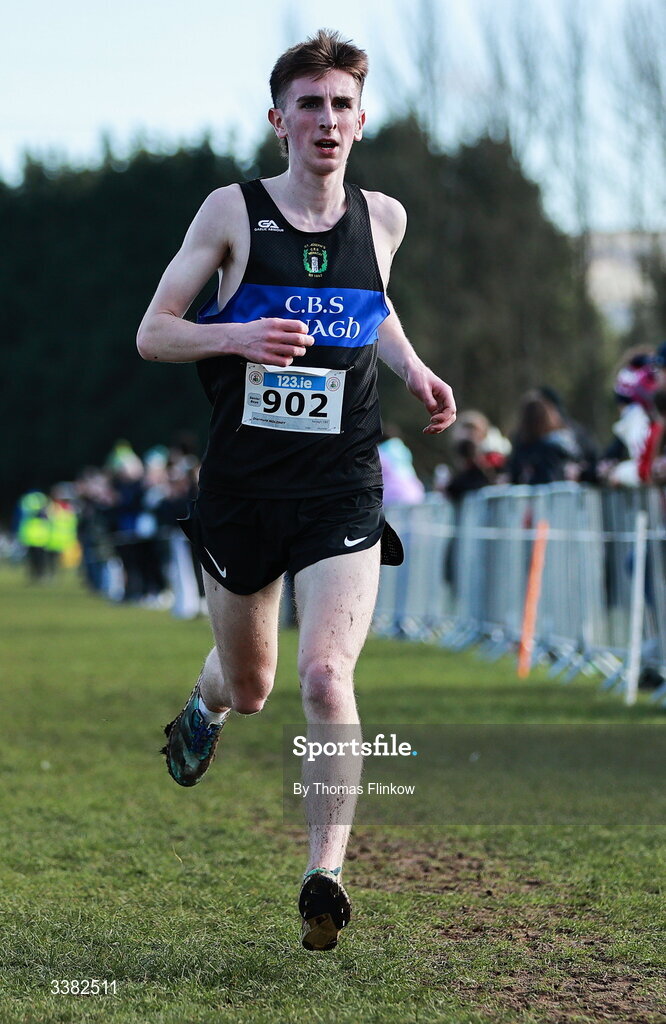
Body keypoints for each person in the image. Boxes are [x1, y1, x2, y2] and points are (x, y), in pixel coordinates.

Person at [136, 29, 456, 951]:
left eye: (341, 104)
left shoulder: (382, 217)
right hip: (243, 487)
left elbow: (374, 306)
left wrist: (415, 370)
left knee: (326, 674)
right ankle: (203, 706)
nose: (326, 119)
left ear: (363, 120)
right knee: (255, 682)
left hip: (342, 482)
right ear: (278, 119)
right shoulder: (232, 213)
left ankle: (326, 871)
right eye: (308, 104)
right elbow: (155, 333)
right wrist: (236, 337)